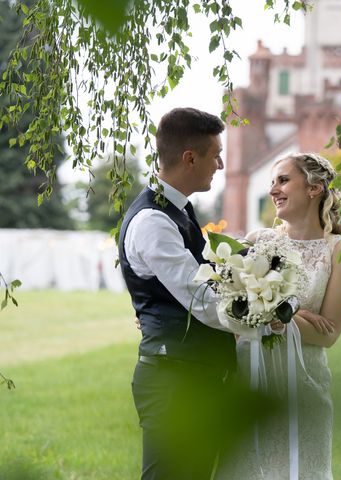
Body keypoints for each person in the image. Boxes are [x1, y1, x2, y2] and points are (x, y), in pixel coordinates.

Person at [216, 152, 341, 479]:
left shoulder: (340, 250)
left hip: (305, 388)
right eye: (272, 182)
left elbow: (329, 334)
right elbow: (226, 301)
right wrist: (290, 314)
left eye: (283, 180)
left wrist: (285, 316)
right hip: (249, 381)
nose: (273, 190)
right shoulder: (257, 242)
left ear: (314, 188)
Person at [118, 107, 238, 480]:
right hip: (174, 381)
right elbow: (201, 299)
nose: (219, 163)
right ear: (190, 158)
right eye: (215, 154)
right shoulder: (154, 220)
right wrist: (269, 319)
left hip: (194, 375)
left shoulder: (177, 212)